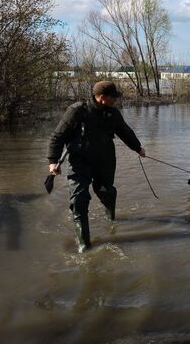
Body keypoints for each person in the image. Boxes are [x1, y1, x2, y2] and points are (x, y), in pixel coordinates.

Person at [47, 81, 145, 253]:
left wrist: (138, 148)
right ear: (101, 97)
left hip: (105, 160)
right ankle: (84, 245)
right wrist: (53, 161)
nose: (115, 100)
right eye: (113, 97)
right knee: (78, 201)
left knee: (106, 191)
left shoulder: (113, 113)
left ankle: (110, 218)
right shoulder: (76, 111)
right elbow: (57, 137)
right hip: (79, 162)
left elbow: (125, 132)